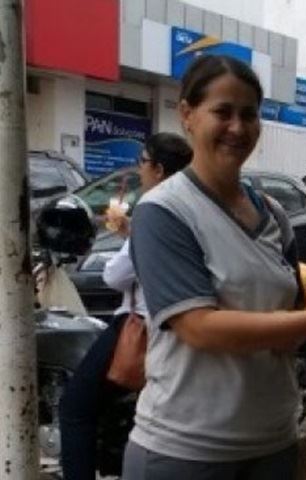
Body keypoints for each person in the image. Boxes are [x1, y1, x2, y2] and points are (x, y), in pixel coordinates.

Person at [122, 55, 306, 480]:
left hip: (272, 441)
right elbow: (199, 327)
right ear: (187, 115)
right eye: (223, 112)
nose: (238, 127)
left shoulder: (274, 214)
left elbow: (287, 315)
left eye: (249, 115)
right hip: (186, 450)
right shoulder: (164, 211)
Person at [59, 132, 193, 480]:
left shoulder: (156, 209)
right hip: (181, 327)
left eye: (143, 162)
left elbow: (114, 277)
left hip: (141, 325)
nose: (140, 169)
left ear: (159, 169)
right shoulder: (190, 207)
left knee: (75, 408)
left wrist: (131, 237)